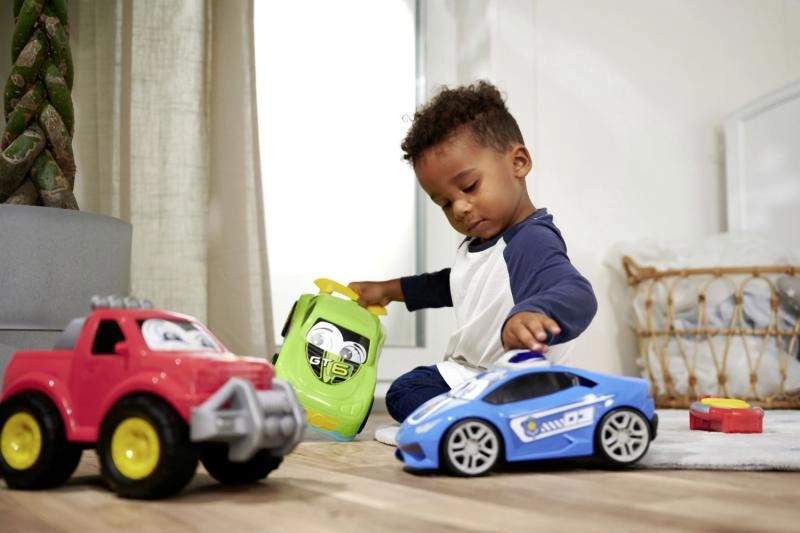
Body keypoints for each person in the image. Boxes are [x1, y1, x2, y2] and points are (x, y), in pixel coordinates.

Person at [349, 80, 597, 424]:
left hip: (513, 379)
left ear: (518, 162)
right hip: (480, 376)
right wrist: (389, 290)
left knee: (406, 391)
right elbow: (453, 285)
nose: (460, 208)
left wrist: (532, 313)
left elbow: (577, 293)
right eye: (444, 203)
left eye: (469, 186)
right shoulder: (486, 242)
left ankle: (497, 419)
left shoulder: (530, 240)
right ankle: (496, 418)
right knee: (409, 388)